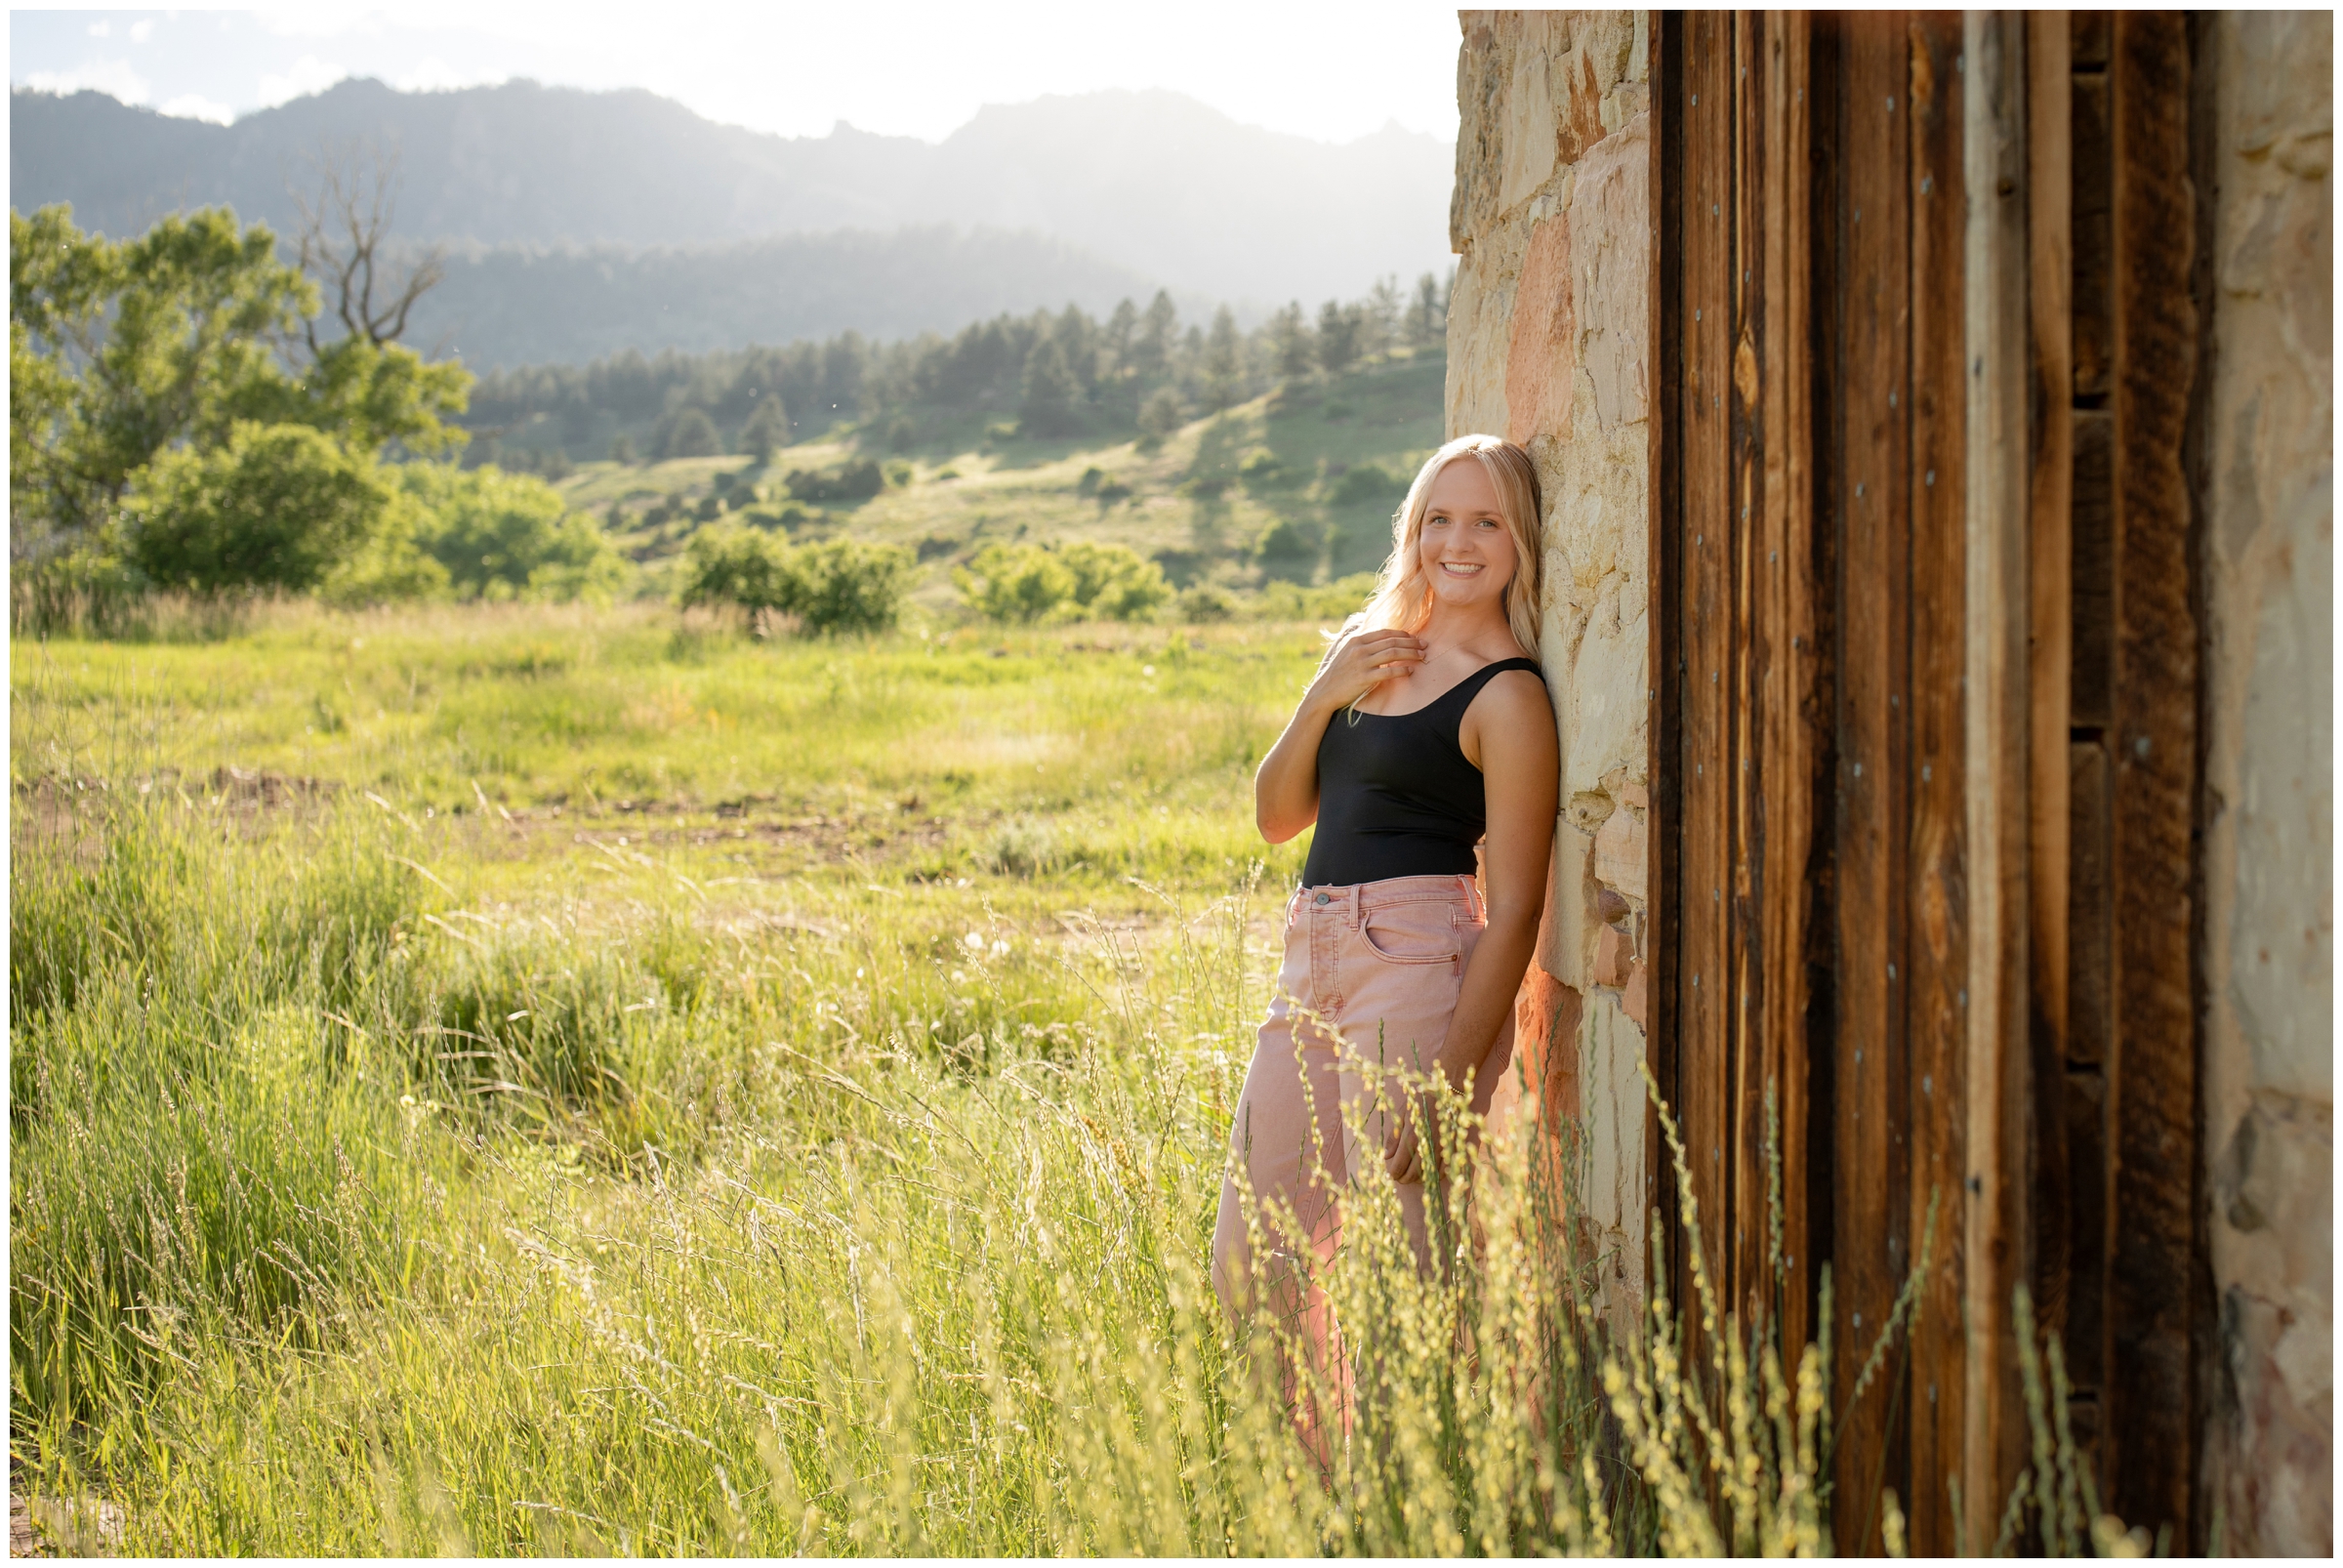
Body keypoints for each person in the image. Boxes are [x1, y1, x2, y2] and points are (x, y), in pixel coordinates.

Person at [1212, 433, 1558, 1447]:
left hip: (1413, 968)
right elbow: (1278, 817)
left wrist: (1457, 1080)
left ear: (1519, 540)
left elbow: (1520, 906)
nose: (1460, 540)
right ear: (1413, 530)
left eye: (1488, 520)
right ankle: (1311, 1509)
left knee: (1404, 1287)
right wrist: (1323, 688)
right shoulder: (1370, 655)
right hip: (1307, 965)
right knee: (1253, 1262)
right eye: (1440, 518)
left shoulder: (1509, 695)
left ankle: (1410, 1508)